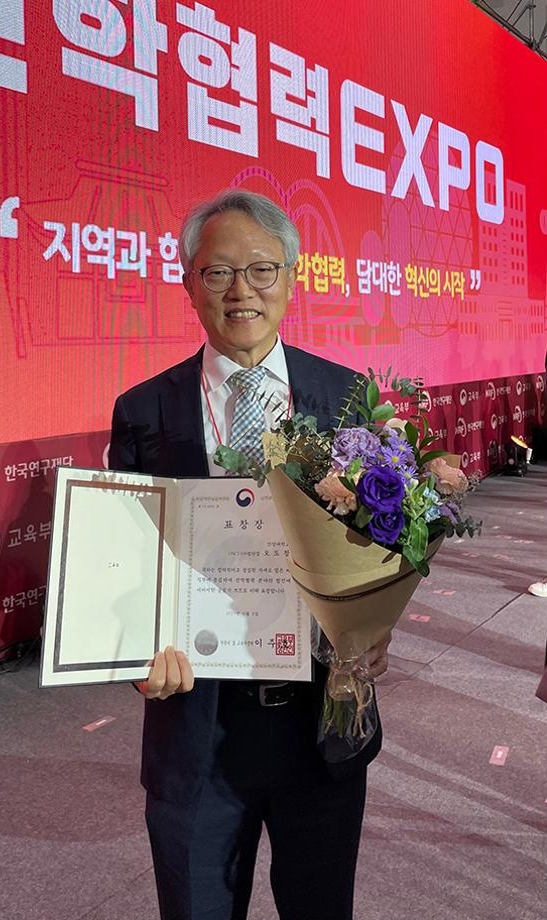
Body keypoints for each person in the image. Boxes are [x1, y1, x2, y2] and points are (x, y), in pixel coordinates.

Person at [109, 189, 391, 920]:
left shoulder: (348, 396)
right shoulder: (144, 410)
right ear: (187, 283)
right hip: (195, 726)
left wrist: (371, 626)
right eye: (218, 272)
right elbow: (125, 560)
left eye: (262, 269)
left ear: (291, 279)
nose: (241, 291)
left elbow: (383, 539)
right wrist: (135, 647)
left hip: (319, 722)